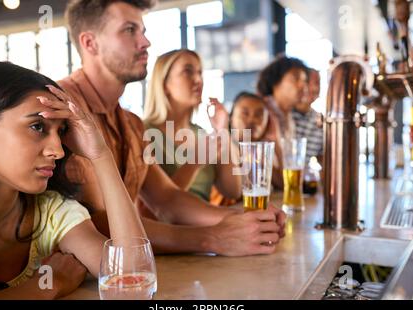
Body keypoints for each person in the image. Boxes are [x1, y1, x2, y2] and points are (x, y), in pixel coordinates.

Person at [60, 0, 286, 256]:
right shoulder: (66, 109)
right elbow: (98, 223)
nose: (145, 43)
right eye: (129, 30)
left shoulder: (131, 123)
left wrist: (246, 219)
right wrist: (212, 238)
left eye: (143, 31)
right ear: (90, 43)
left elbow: (167, 199)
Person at [0, 61, 146, 299]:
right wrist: (45, 286)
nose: (59, 150)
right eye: (37, 126)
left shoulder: (52, 214)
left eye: (62, 131)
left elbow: (133, 281)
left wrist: (100, 155)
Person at [143, 49, 241, 203]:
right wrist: (196, 162)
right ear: (164, 85)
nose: (198, 79)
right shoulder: (143, 131)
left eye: (200, 73)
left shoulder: (201, 133)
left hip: (209, 223)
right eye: (187, 72)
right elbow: (156, 205)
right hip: (173, 226)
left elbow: (232, 190)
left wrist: (222, 130)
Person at [257, 55, 308, 189]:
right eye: (295, 78)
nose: (303, 85)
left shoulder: (288, 116)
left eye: (304, 80)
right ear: (275, 82)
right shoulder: (260, 113)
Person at [292, 68, 323, 163]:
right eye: (308, 82)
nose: (314, 88)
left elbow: (324, 161)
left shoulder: (320, 121)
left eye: (317, 83)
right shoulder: (283, 115)